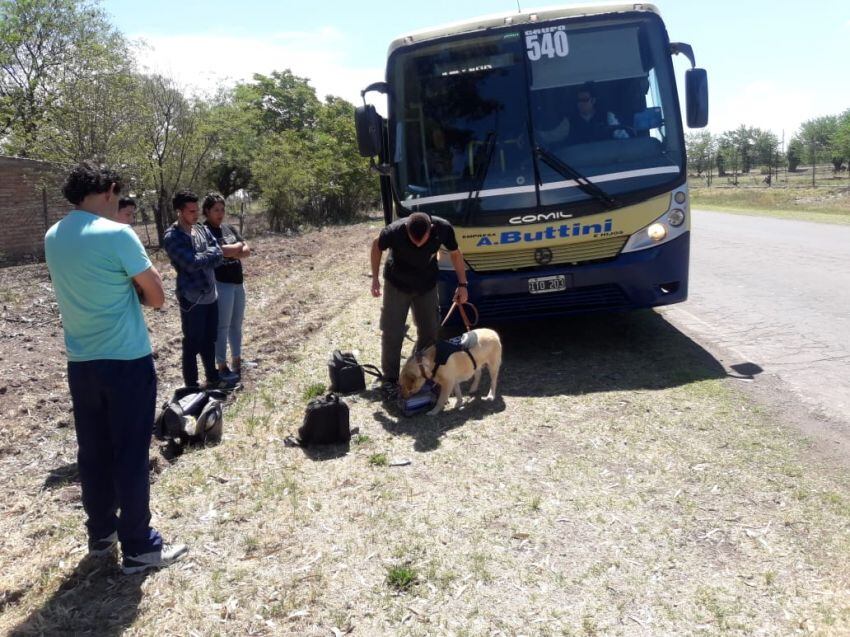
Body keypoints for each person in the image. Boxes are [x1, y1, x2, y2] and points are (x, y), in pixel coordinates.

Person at [44, 161, 187, 575]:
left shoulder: (54, 235)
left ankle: (101, 535)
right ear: (108, 190)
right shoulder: (117, 234)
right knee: (129, 453)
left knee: (93, 453)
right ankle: (140, 547)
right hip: (125, 360)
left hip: (81, 363)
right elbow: (157, 296)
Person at [370, 212, 469, 397]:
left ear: (431, 230)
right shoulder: (393, 231)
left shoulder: (443, 228)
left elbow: (455, 254)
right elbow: (377, 245)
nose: (417, 244)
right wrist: (375, 278)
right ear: (406, 228)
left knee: (430, 330)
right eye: (412, 240)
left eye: (421, 241)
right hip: (397, 284)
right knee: (393, 331)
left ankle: (421, 372)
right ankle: (390, 379)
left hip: (426, 285)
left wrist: (463, 284)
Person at [163, 190, 242, 390]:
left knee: (210, 340)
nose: (195, 214)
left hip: (210, 295)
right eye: (191, 211)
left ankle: (213, 378)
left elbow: (218, 252)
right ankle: (191, 386)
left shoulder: (200, 229)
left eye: (196, 210)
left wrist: (205, 255)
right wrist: (209, 255)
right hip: (192, 299)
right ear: (179, 212)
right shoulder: (173, 236)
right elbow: (190, 263)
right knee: (192, 344)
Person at [202, 192, 250, 380]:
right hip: (220, 284)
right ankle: (222, 366)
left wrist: (233, 251)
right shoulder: (203, 230)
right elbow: (218, 251)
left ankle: (237, 360)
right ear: (207, 211)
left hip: (238, 282)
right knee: (222, 326)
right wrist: (234, 249)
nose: (220, 213)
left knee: (236, 324)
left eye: (222, 209)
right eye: (216, 210)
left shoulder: (228, 228)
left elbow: (246, 250)